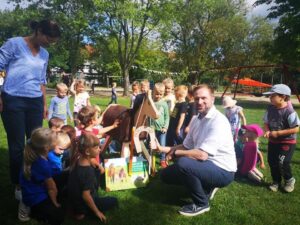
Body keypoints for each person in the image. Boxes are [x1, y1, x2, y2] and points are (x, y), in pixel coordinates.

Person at [0, 20, 61, 206]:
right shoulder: (14, 44)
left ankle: (36, 178)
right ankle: (19, 184)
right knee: (18, 146)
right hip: (13, 100)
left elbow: (41, 80)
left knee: (37, 144)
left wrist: (43, 104)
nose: (50, 43)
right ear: (38, 31)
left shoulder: (45, 54)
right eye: (48, 39)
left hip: (35, 101)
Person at [152, 84, 236, 216]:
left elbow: (201, 155)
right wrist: (162, 148)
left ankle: (201, 204)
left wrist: (176, 153)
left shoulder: (218, 121)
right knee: (165, 175)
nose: (200, 102)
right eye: (197, 99)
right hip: (206, 165)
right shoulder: (197, 119)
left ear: (212, 99)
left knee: (183, 162)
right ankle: (207, 185)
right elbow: (185, 146)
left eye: (204, 98)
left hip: (223, 170)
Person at [67, 133, 118, 222]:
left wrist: (98, 165)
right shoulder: (88, 172)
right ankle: (84, 212)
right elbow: (86, 196)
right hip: (83, 201)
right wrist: (97, 212)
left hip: (74, 198)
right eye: (96, 147)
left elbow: (90, 159)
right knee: (114, 201)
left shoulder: (78, 158)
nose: (100, 149)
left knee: (97, 170)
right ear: (87, 151)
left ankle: (80, 211)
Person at [19, 128, 64, 224]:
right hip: (35, 196)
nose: (57, 142)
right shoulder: (42, 165)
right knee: (58, 217)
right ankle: (34, 211)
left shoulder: (32, 150)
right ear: (46, 148)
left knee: (62, 176)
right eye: (55, 141)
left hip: (28, 188)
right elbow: (51, 188)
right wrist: (55, 203)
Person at [262, 84, 300, 192]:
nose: (270, 98)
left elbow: (296, 129)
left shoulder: (289, 112)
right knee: (272, 161)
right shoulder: (270, 109)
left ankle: (289, 180)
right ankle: (276, 181)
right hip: (273, 142)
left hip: (287, 142)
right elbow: (266, 122)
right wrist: (268, 131)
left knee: (282, 162)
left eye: (272, 96)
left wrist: (278, 133)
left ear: (282, 97)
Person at [150, 83, 169, 168]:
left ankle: (162, 159)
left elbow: (167, 117)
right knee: (150, 144)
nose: (158, 96)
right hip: (151, 129)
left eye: (160, 94)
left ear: (163, 93)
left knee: (162, 144)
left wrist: (165, 127)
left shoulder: (164, 104)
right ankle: (149, 158)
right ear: (153, 92)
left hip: (162, 129)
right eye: (156, 94)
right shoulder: (150, 102)